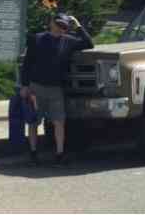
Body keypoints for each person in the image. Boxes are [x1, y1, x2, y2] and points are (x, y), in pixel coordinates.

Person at [20, 13, 93, 166]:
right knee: (33, 121)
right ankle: (33, 153)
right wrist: (25, 85)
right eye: (59, 24)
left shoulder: (69, 41)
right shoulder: (37, 39)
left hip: (56, 89)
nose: (61, 28)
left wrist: (78, 25)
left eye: (64, 26)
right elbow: (27, 63)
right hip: (36, 87)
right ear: (51, 23)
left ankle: (60, 154)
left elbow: (88, 43)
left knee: (59, 121)